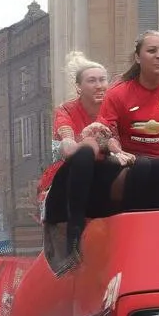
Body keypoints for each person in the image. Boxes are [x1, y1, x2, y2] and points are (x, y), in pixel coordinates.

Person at [97, 31, 159, 211]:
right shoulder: (118, 93)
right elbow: (104, 132)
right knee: (143, 164)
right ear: (138, 57)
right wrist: (116, 150)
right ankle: (132, 218)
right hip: (129, 164)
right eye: (152, 51)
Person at [39, 52, 112, 261]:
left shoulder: (113, 109)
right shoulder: (65, 110)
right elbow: (68, 143)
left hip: (100, 175)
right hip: (67, 179)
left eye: (102, 80)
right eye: (92, 81)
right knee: (86, 152)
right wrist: (82, 140)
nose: (99, 86)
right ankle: (74, 228)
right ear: (79, 87)